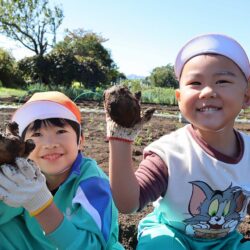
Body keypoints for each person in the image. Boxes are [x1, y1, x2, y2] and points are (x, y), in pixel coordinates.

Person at [106, 33, 250, 249]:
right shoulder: (168, 153)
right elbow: (127, 203)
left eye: (222, 81)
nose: (208, 91)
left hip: (225, 242)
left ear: (246, 96)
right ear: (179, 98)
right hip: (171, 235)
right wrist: (120, 138)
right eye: (195, 83)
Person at [0, 91, 123, 249]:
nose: (50, 144)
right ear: (23, 147)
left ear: (80, 141)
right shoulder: (21, 178)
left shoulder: (92, 184)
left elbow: (93, 246)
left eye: (61, 132)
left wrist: (40, 204)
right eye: (37, 134)